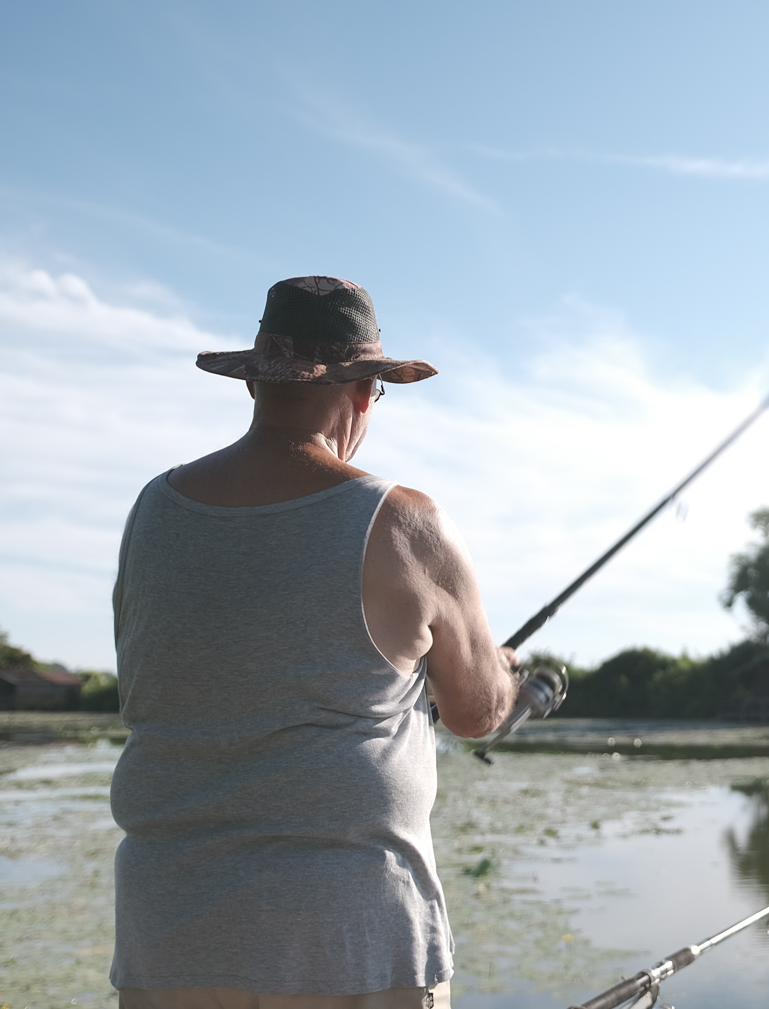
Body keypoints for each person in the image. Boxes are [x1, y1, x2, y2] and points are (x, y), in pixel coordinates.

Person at [110, 276, 517, 1009]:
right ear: (365, 391)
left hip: (167, 935)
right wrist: (507, 675)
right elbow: (477, 712)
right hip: (351, 938)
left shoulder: (153, 511)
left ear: (257, 385)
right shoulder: (404, 521)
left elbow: (156, 678)